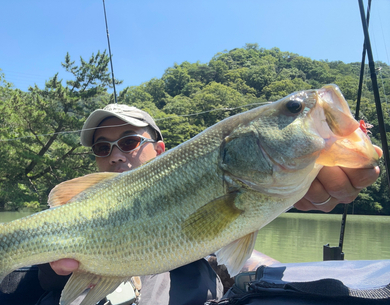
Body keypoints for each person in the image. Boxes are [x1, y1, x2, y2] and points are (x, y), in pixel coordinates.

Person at [49, 103, 381, 276]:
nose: (117, 154)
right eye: (102, 148)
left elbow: (232, 255)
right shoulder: (72, 212)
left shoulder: (230, 182)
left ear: (161, 149)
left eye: (130, 141)